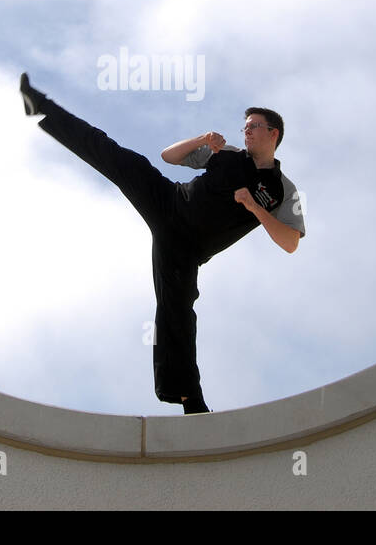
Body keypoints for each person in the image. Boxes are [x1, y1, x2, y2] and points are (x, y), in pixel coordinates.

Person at [19, 72, 306, 415]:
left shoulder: (282, 191)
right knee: (119, 158)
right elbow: (168, 156)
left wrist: (255, 207)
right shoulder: (226, 153)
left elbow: (290, 242)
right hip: (168, 203)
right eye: (244, 126)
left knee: (177, 311)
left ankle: (190, 400)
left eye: (253, 126)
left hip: (186, 247)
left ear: (272, 134)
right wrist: (202, 138)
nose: (245, 131)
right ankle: (42, 106)